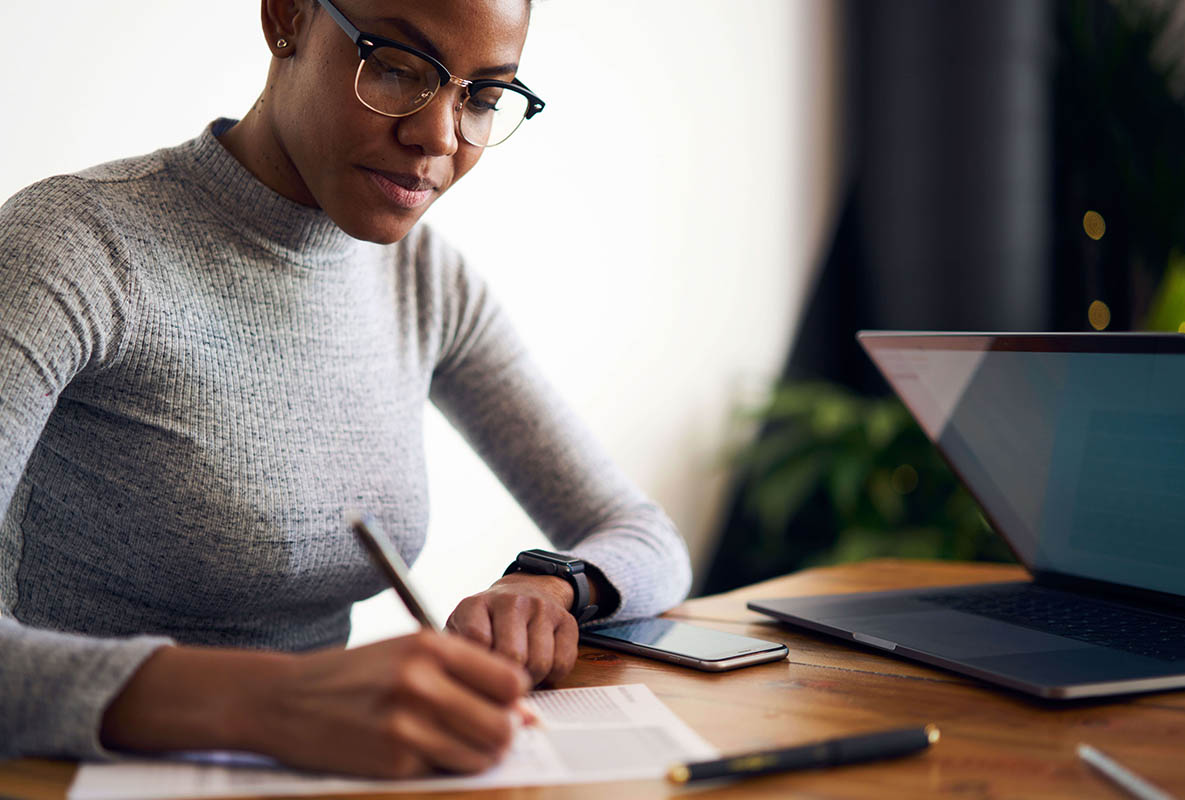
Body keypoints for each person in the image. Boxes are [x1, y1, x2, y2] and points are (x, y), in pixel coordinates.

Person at [0, 0, 691, 779]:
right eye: (398, 66)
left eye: (484, 96)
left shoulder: (427, 281)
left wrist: (556, 585)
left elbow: (646, 537)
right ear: (287, 17)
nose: (439, 135)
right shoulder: (73, 247)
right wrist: (270, 705)